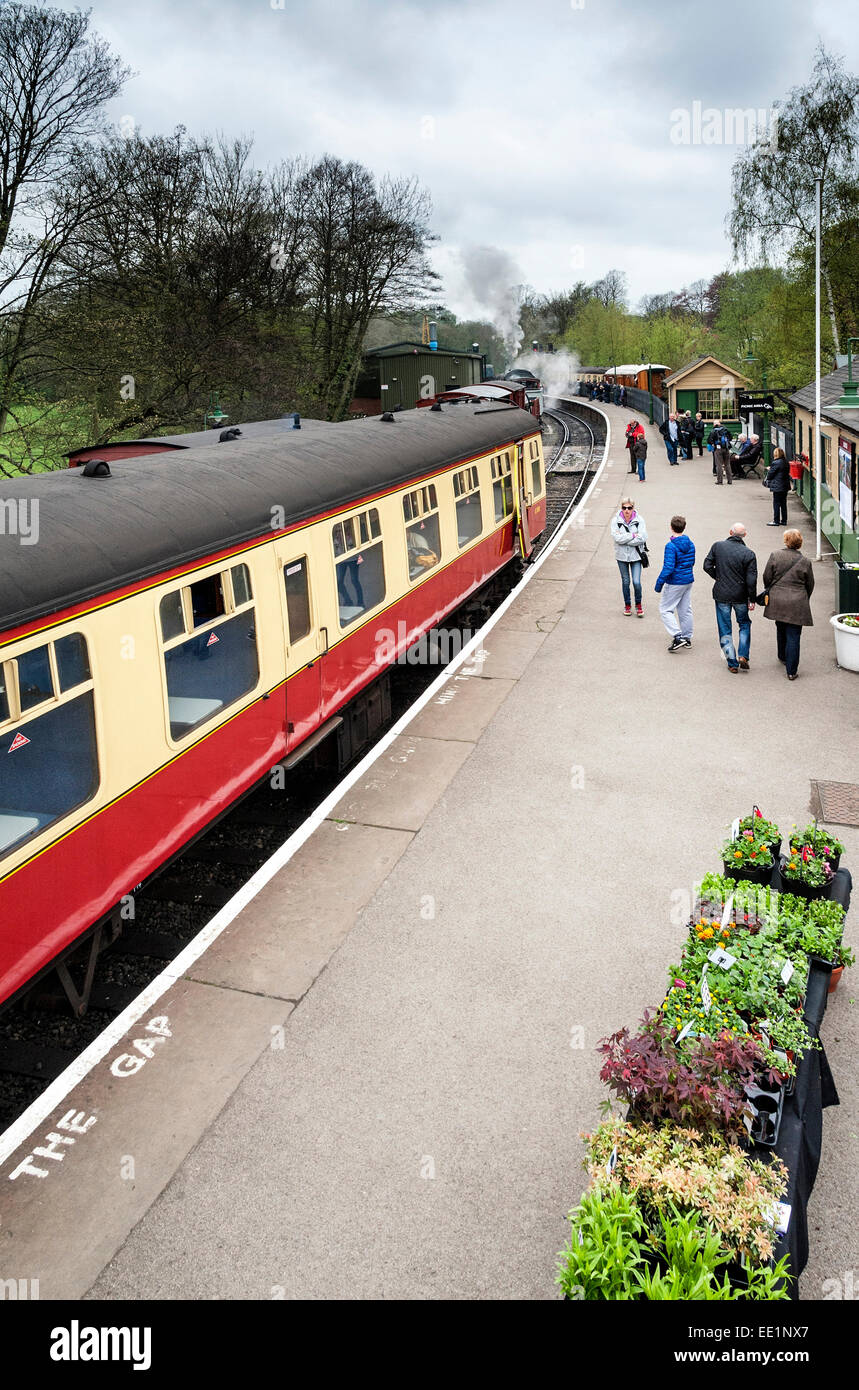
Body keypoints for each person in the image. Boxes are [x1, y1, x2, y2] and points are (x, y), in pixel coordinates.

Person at [702, 523, 758, 672]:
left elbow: (707, 565)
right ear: (744, 536)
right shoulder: (749, 554)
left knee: (725, 628)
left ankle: (732, 663)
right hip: (740, 595)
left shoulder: (718, 546)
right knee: (744, 624)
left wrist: (718, 577)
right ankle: (743, 655)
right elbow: (751, 580)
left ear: (730, 532)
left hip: (722, 593)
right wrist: (752, 599)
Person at [761, 529, 814, 679]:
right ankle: (791, 671)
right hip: (797, 602)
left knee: (780, 626)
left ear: (786, 541)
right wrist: (804, 598)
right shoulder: (805, 561)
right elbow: (810, 584)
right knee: (794, 635)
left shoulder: (776, 555)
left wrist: (771, 590)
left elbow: (767, 576)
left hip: (778, 599)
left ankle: (782, 655)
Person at [654, 514, 695, 652]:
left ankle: (678, 636)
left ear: (671, 527)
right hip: (688, 580)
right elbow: (692, 562)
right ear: (684, 527)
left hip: (675, 581)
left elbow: (668, 567)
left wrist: (659, 583)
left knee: (665, 609)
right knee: (685, 609)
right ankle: (687, 637)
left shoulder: (671, 546)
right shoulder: (691, 544)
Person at [611, 498, 647, 617]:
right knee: (625, 581)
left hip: (636, 556)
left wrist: (625, 539)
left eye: (629, 508)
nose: (627, 510)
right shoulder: (615, 521)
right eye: (624, 508)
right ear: (621, 508)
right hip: (621, 557)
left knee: (636, 582)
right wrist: (632, 535)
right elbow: (616, 538)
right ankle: (627, 605)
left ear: (633, 508)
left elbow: (642, 537)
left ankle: (638, 604)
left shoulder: (639, 520)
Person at [764, 447, 790, 525]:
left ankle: (776, 520)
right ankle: (784, 520)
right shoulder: (785, 462)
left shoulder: (776, 462)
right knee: (783, 503)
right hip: (785, 485)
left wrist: (770, 469)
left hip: (777, 486)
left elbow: (770, 475)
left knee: (776, 503)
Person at [708, 420, 733, 485]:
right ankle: (730, 480)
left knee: (719, 465)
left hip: (718, 449)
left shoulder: (713, 431)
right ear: (720, 424)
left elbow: (709, 440)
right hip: (726, 448)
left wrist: (713, 444)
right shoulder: (726, 430)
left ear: (714, 425)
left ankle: (720, 481)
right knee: (727, 464)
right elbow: (731, 437)